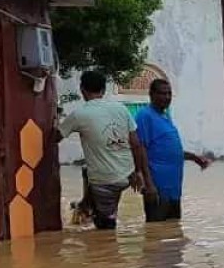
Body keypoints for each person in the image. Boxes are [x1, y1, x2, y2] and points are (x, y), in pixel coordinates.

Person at [56, 70, 149, 230]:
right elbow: (136, 144)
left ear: (82, 90)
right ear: (104, 90)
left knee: (105, 226)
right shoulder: (121, 109)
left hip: (104, 181)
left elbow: (55, 138)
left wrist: (55, 120)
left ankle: (105, 240)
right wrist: (139, 172)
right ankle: (86, 205)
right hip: (127, 175)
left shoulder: (79, 115)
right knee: (86, 171)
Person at [134, 78, 211, 222]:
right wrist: (148, 183)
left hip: (174, 187)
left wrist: (195, 158)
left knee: (173, 231)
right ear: (151, 94)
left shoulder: (165, 116)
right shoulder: (144, 116)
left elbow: (168, 149)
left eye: (169, 94)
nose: (167, 97)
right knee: (156, 233)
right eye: (163, 94)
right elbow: (140, 149)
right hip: (157, 187)